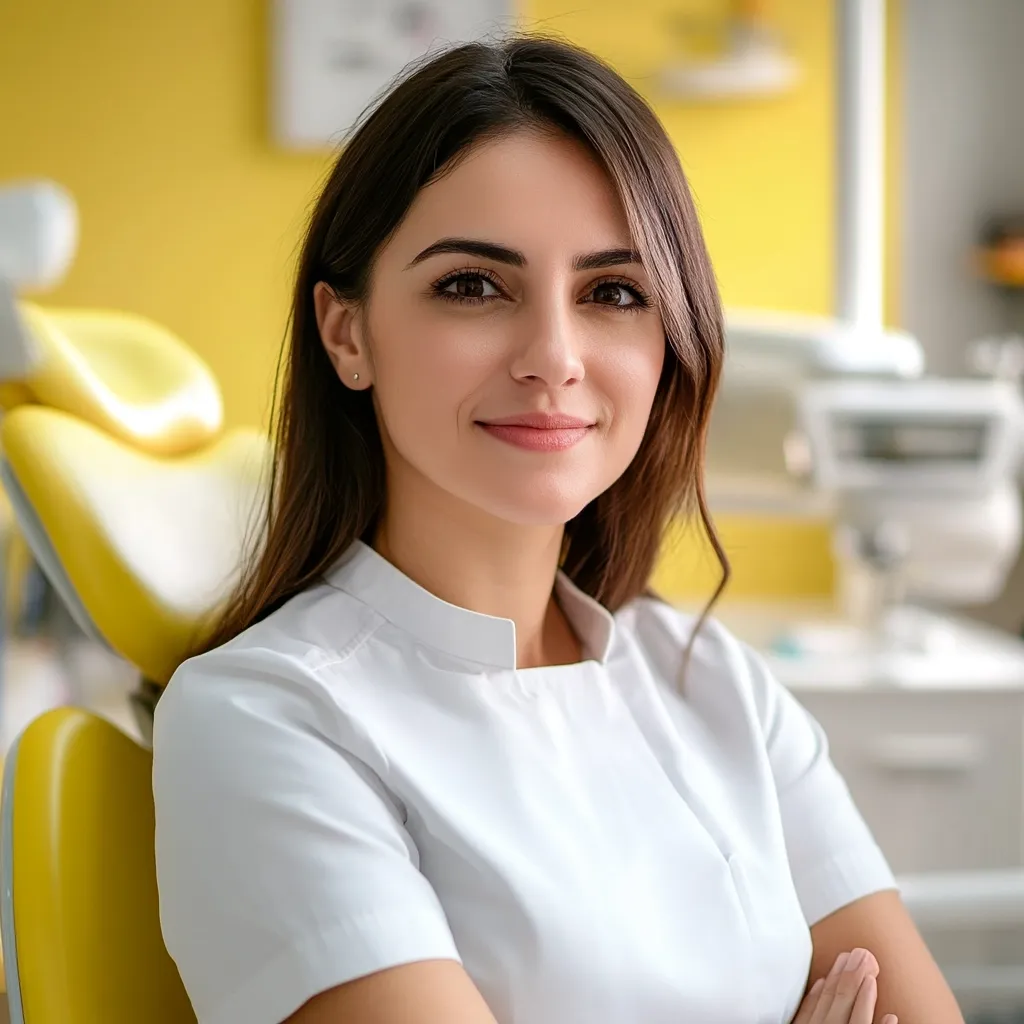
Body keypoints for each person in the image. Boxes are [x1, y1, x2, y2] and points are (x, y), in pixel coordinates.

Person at [151, 35, 964, 1024]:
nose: (553, 356)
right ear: (346, 332)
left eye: (612, 293)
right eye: (472, 285)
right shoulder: (266, 719)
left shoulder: (710, 681)